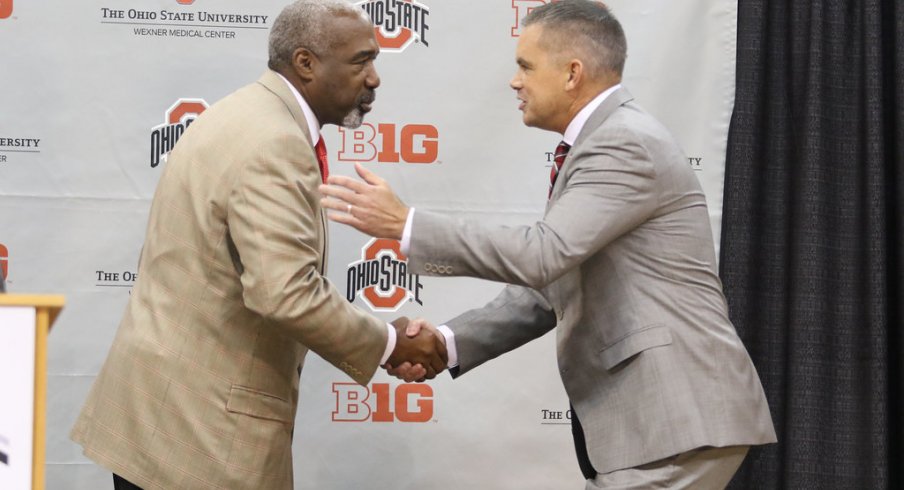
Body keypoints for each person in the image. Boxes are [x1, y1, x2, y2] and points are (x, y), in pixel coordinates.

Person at [319, 1, 776, 488]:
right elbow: (550, 283)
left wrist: (406, 223)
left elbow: (543, 254)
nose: (515, 82)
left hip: (675, 416)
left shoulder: (623, 143)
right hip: (660, 423)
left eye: (525, 66)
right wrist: (447, 344)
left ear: (572, 73)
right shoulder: (601, 144)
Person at [70, 2, 446, 489]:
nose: (374, 78)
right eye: (360, 61)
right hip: (199, 435)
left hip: (165, 415)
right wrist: (392, 343)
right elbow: (284, 293)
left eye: (374, 61)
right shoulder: (276, 142)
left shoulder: (245, 112)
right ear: (306, 63)